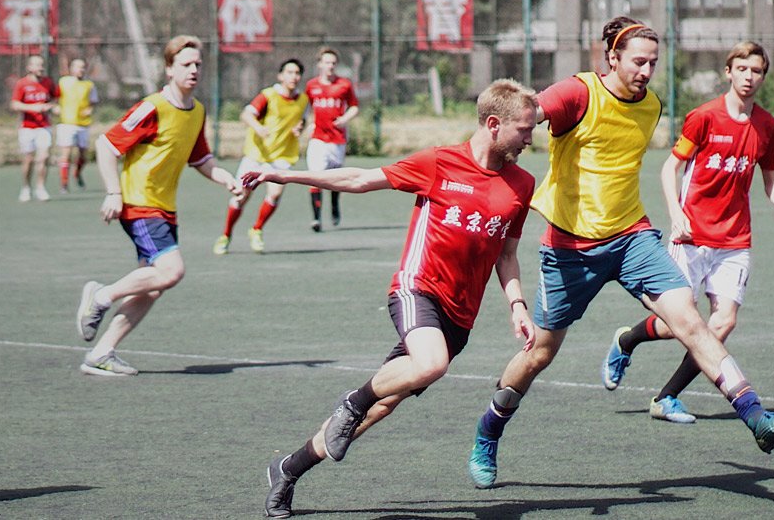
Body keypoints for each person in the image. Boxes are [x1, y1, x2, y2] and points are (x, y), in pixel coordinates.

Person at [466, 17, 774, 491]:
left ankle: (756, 417)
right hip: (570, 248)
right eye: (638, 62)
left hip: (631, 237)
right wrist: (483, 160)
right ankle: (488, 431)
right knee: (539, 353)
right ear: (613, 58)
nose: (646, 71)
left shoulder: (652, 106)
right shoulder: (577, 94)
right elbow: (523, 116)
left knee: (691, 320)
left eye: (653, 63)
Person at [250, 79, 538, 519]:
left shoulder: (522, 184)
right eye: (525, 129)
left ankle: (288, 469)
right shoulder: (439, 162)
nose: (531, 138)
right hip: (417, 288)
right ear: (494, 124)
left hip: (460, 317)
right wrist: (285, 175)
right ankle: (352, 402)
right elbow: (359, 178)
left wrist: (517, 305)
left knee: (384, 402)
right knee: (429, 365)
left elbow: (507, 255)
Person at [602, 41, 774, 424]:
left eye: (756, 71)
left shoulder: (767, 126)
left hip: (735, 240)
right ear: (728, 71)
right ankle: (627, 339)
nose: (749, 77)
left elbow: (770, 178)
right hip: (691, 236)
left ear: (763, 76)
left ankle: (666, 397)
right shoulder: (704, 117)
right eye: (742, 69)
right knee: (678, 325)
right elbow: (669, 168)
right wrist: (676, 214)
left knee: (722, 323)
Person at [75, 35, 243, 376]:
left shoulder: (197, 111)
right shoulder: (152, 107)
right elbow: (106, 145)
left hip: (164, 209)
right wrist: (113, 193)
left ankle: (102, 353)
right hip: (139, 203)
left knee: (152, 288)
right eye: (185, 64)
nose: (193, 70)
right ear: (168, 69)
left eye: (197, 64)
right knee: (171, 272)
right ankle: (101, 296)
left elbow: (201, 159)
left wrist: (226, 178)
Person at [213, 58, 309, 254]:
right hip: (257, 155)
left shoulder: (303, 100)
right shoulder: (268, 96)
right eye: (289, 72)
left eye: (297, 73)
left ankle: (256, 230)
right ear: (280, 76)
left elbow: (302, 119)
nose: (294, 77)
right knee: (241, 196)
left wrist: (299, 128)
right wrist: (258, 128)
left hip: (281, 156)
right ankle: (226, 235)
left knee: (275, 194)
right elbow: (246, 114)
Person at [304, 47, 359, 231]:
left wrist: (344, 119)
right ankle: (316, 218)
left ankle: (334, 205)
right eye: (327, 62)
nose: (330, 66)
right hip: (318, 139)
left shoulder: (344, 85)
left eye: (333, 63)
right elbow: (307, 108)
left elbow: (354, 106)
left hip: (337, 140)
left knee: (335, 179)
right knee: (315, 176)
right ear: (320, 64)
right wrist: (309, 123)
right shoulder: (311, 86)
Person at [10, 54, 58, 202]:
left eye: (42, 65)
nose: (40, 68)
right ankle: (26, 187)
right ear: (29, 67)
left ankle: (40, 188)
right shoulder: (22, 84)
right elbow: (15, 104)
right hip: (27, 127)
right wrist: (33, 108)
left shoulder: (48, 82)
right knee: (28, 160)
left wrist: (52, 107)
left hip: (44, 126)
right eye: (37, 65)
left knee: (44, 157)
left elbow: (55, 99)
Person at [56, 57, 100, 194]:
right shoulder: (63, 82)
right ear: (71, 69)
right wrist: (55, 107)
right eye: (78, 67)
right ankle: (64, 183)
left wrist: (90, 109)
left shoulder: (89, 85)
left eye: (83, 67)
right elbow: (54, 97)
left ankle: (77, 173)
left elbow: (93, 102)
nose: (81, 69)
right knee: (66, 153)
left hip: (83, 124)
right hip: (66, 122)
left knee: (82, 155)